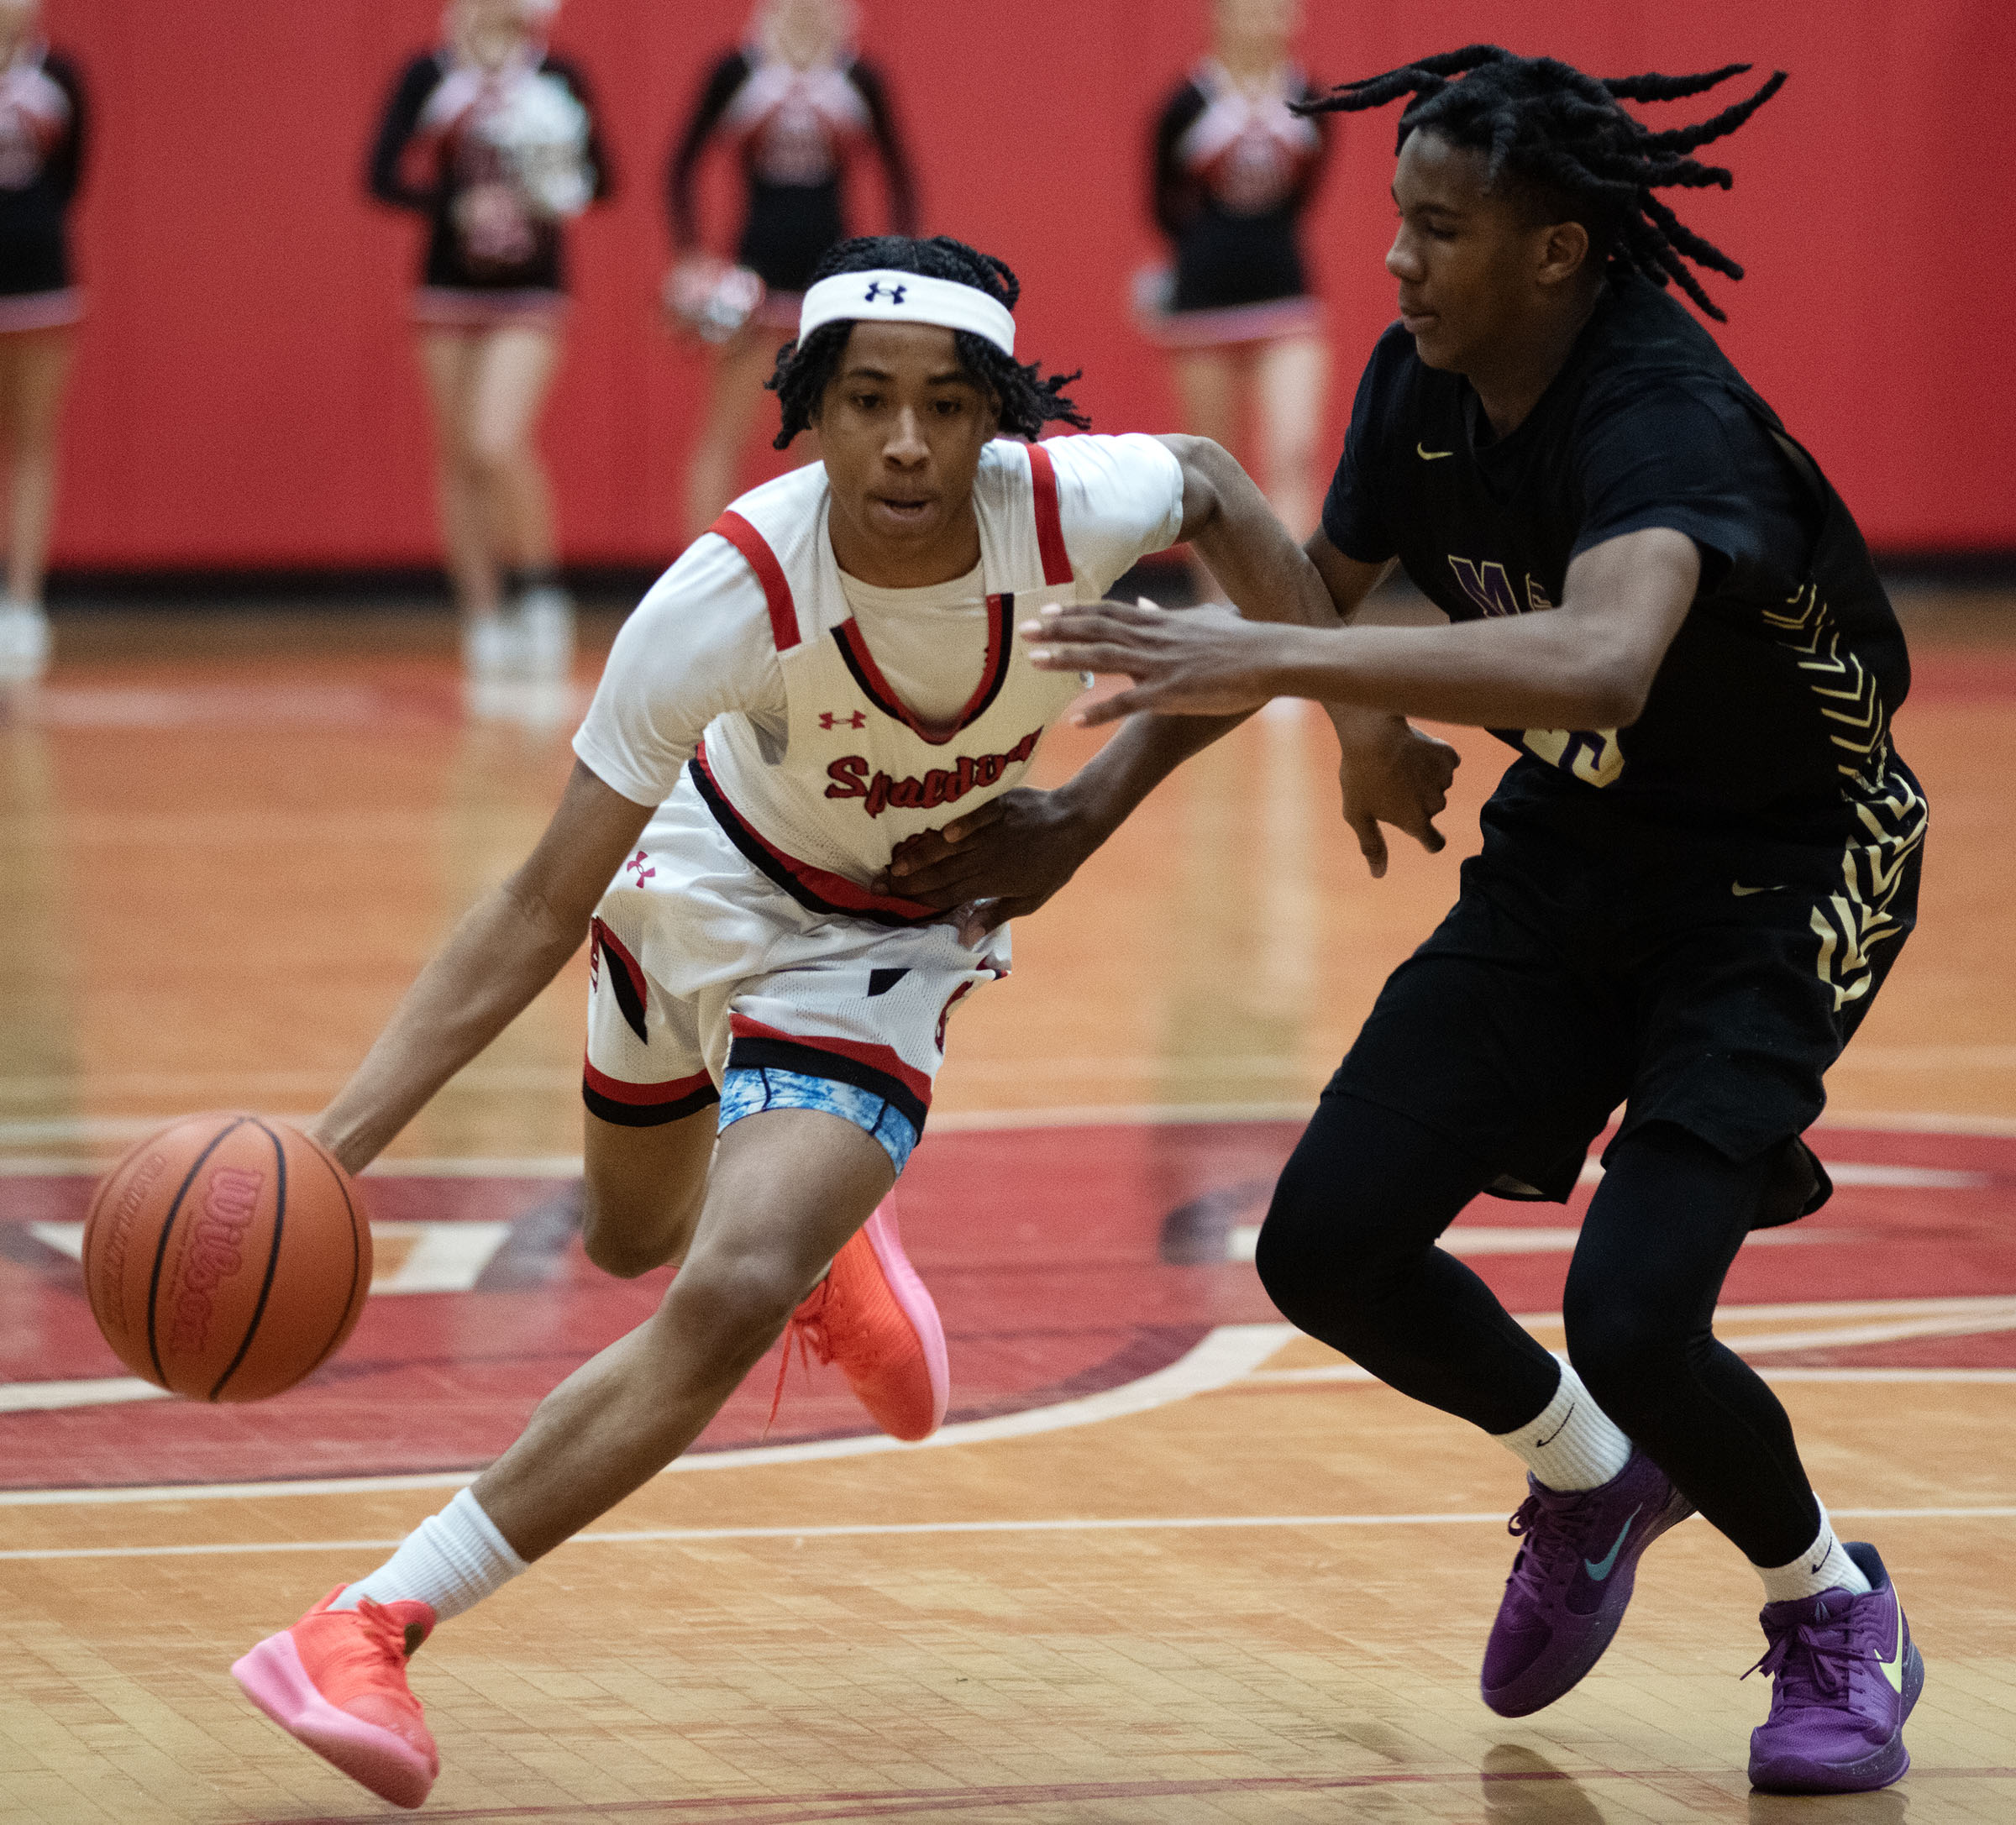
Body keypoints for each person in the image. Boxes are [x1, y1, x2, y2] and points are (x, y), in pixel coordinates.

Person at [228, 232, 1329, 1811]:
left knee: (721, 1284)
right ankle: (828, 1241)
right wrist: (338, 1148)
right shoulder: (725, 594)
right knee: (629, 1238)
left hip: (875, 942)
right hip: (698, 881)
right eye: (864, 399)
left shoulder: (1068, 508)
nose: (903, 441)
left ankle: (368, 1620)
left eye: (946, 406)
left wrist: (1318, 726)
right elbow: (540, 899)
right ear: (806, 410)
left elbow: (1219, 478)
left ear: (997, 416)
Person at [990, 45, 1929, 1796]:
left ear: (1559, 251)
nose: (1399, 264)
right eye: (1399, 223)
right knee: (1324, 1244)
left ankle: (1831, 1605)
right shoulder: (1417, 386)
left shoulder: (1661, 410)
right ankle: (1589, 1477)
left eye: (1442, 229)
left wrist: (1288, 663)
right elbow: (1303, 593)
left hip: (1787, 868)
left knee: (1639, 1311)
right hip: (1577, 843)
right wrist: (1074, 826)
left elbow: (1600, 661)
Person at [368, 0, 609, 683]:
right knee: (457, 456)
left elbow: (602, 179)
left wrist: (551, 182)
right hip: (446, 289)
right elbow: (381, 175)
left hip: (532, 288)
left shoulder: (557, 76)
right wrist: (452, 204)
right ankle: (482, 614)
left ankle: (539, 586)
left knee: (496, 440)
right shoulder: (429, 74)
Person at [664, 0, 917, 544]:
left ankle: (816, 577)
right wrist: (692, 257)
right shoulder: (738, 71)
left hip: (833, 284)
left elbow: (900, 174)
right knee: (726, 431)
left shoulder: (857, 76)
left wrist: (901, 261)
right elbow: (680, 165)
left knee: (824, 433)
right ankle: (696, 571)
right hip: (753, 279)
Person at [1142, 0, 1330, 564]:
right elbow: (1161, 204)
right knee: (1211, 470)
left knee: (1295, 455)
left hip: (1287, 301)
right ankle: (1219, 620)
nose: (1264, 23)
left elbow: (1304, 195)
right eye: (1250, 10)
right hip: (1204, 311)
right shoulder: (1186, 104)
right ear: (1219, 17)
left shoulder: (1310, 99)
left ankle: (1294, 609)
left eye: (1277, 10)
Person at [0, 0, 81, 682]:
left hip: (41, 284)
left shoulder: (60, 77)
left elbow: (70, 178)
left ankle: (22, 600)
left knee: (31, 440)